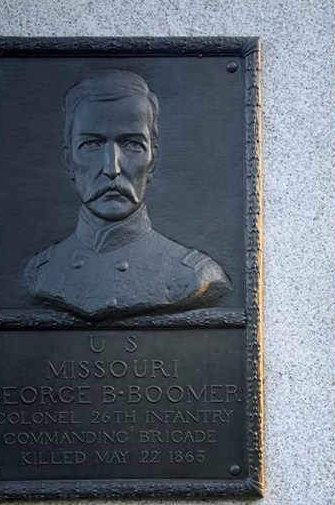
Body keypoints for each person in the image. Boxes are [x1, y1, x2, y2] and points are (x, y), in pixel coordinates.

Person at [25, 69, 230, 319]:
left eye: (133, 144)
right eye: (91, 144)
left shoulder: (194, 276)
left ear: (152, 160)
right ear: (69, 160)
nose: (112, 168)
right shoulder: (40, 273)